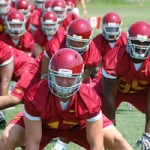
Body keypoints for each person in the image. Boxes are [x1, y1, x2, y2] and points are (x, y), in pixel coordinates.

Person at [0, 49, 133, 150]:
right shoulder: (36, 95)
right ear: (51, 74)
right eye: (59, 76)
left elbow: (96, 145)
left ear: (79, 77)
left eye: (70, 78)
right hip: (44, 125)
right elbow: (33, 143)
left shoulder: (89, 97)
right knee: (8, 137)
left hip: (79, 126)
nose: (64, 82)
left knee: (117, 139)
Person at [92, 20, 150, 149]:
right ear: (128, 41)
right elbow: (109, 98)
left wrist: (148, 133)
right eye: (137, 42)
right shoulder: (115, 58)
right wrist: (112, 130)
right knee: (87, 107)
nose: (141, 47)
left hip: (139, 92)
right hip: (114, 91)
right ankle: (61, 143)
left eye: (145, 43)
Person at [92, 11, 127, 77]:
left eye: (114, 29)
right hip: (103, 73)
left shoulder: (125, 39)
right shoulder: (97, 41)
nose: (111, 33)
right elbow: (96, 66)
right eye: (109, 29)